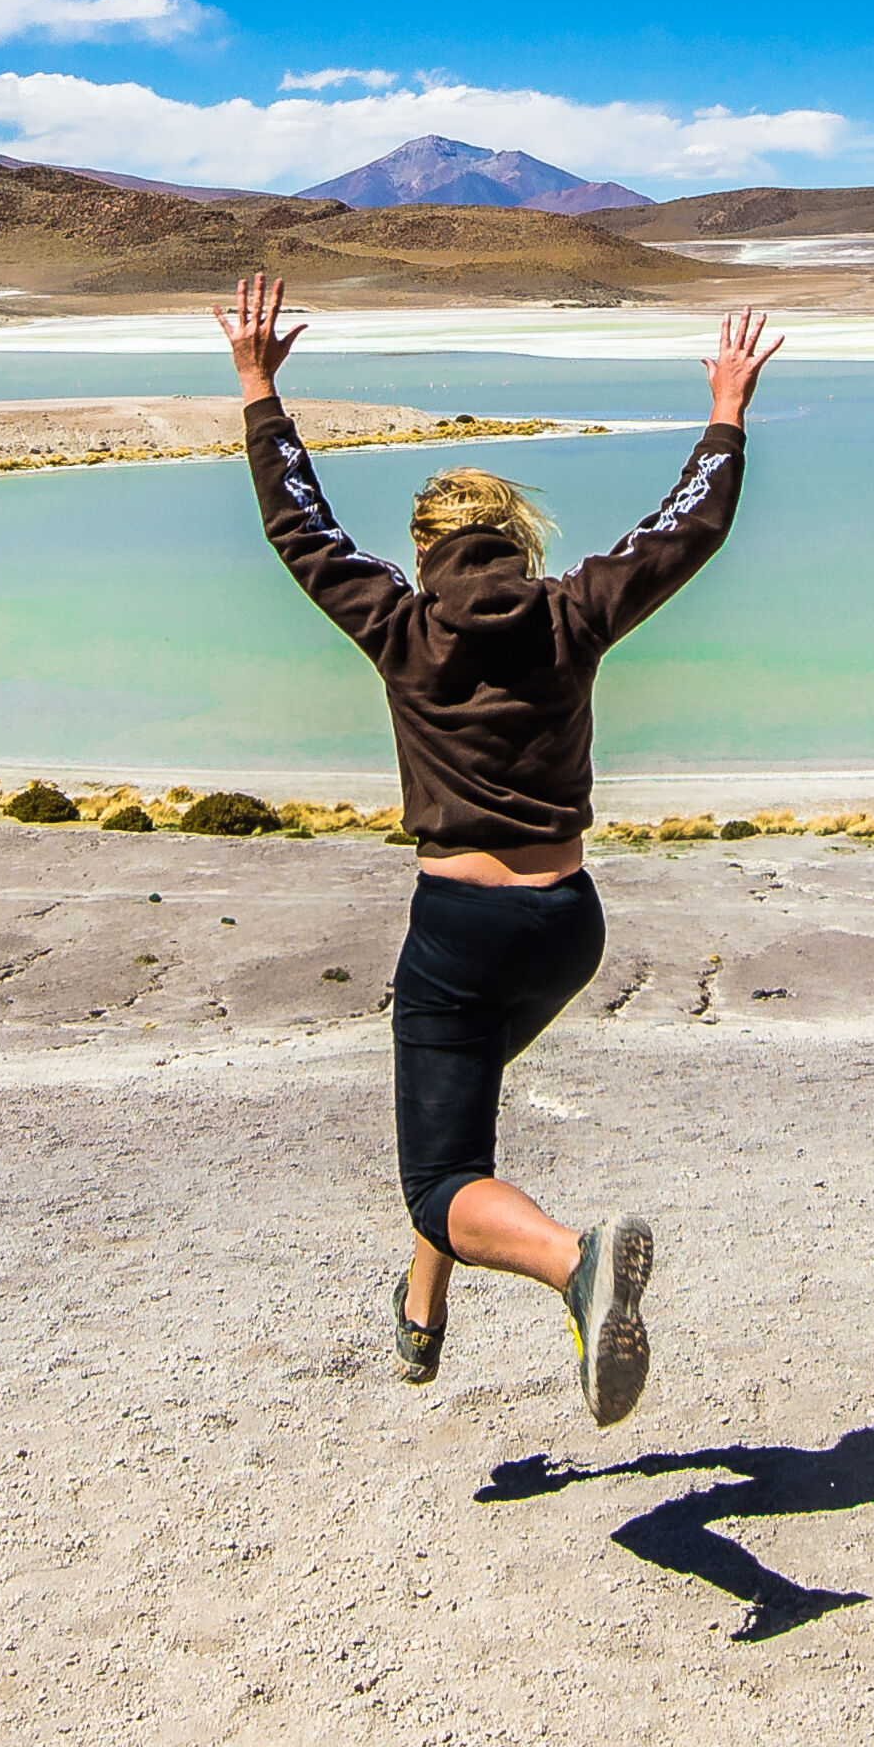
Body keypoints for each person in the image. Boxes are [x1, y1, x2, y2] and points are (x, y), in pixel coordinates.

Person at [222, 274, 778, 1426]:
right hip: (568, 928)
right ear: (517, 542)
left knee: (438, 1176)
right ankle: (420, 1309)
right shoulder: (573, 611)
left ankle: (576, 1261)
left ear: (424, 548)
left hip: (459, 934)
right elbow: (688, 527)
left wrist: (258, 389)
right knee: (458, 1116)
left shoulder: (395, 620)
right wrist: (725, 413)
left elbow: (298, 526)